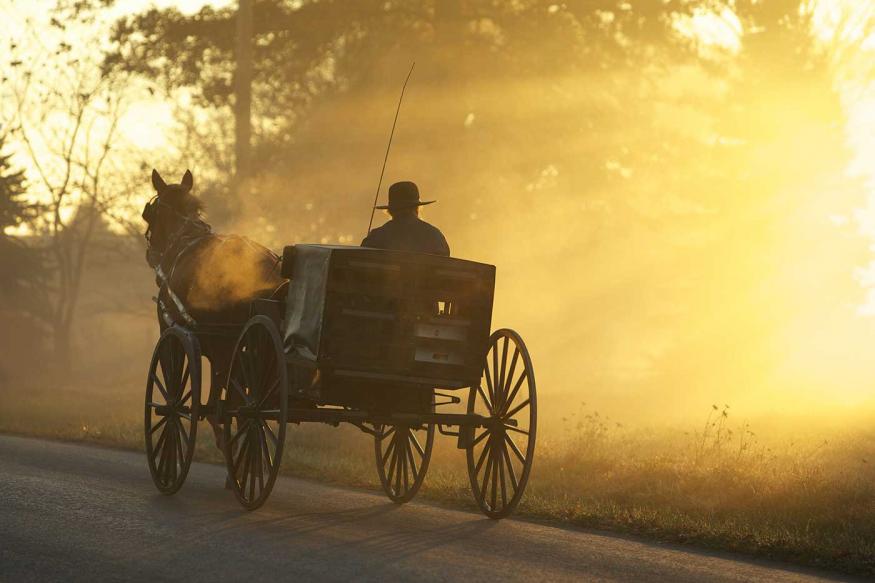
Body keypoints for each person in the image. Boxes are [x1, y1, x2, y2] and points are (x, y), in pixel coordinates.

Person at [361, 181, 450, 256]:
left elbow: (361, 260)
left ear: (391, 210)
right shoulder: (435, 236)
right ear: (417, 208)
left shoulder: (376, 237)